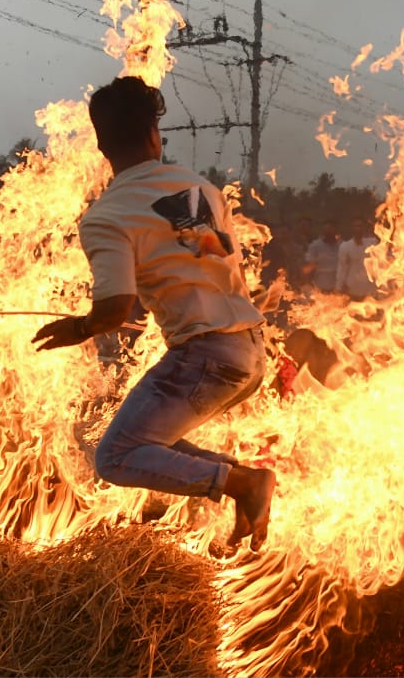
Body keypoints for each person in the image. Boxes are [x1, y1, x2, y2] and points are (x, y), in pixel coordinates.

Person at [31, 76, 276, 551]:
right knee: (145, 442)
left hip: (205, 355)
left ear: (101, 144)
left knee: (115, 456)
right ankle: (242, 479)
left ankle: (244, 485)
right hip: (249, 351)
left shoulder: (107, 215)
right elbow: (208, 260)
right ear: (153, 135)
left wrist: (78, 327)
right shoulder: (201, 188)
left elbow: (115, 309)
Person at [335, 216, 379, 301]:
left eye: (360, 226)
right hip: (353, 288)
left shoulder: (372, 243)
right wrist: (339, 287)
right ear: (352, 228)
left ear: (364, 228)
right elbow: (342, 268)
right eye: (356, 226)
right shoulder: (345, 246)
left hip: (370, 289)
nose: (358, 228)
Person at [303, 219, 339, 292]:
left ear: (336, 230)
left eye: (331, 229)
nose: (329, 232)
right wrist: (307, 284)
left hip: (338, 287)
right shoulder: (315, 246)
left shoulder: (342, 245)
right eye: (327, 229)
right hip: (320, 286)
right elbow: (307, 268)